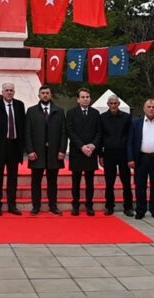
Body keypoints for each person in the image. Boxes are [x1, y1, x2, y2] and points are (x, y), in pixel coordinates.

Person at [24, 85, 67, 216]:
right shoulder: (31, 111)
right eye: (43, 93)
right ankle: (36, 206)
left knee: (52, 182)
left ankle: (53, 206)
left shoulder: (59, 111)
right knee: (36, 181)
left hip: (54, 152)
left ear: (51, 95)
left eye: (47, 93)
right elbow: (27, 132)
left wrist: (62, 150)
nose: (45, 95)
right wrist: (30, 150)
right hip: (37, 153)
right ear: (39, 95)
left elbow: (63, 132)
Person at [0, 82, 26, 216]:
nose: (9, 92)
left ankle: (12, 205)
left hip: (14, 146)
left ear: (14, 92)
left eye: (11, 90)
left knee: (12, 178)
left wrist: (23, 146)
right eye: (7, 90)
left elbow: (22, 125)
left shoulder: (19, 105)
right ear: (2, 92)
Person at [128, 99, 154, 220]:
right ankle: (140, 210)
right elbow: (130, 142)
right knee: (140, 186)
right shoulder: (136, 123)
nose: (151, 109)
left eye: (153, 107)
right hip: (141, 158)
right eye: (149, 107)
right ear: (144, 108)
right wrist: (130, 158)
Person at [66, 88, 102, 216]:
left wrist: (93, 145)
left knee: (89, 182)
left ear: (90, 99)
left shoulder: (95, 113)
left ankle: (89, 206)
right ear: (78, 99)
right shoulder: (71, 113)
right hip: (77, 152)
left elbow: (99, 132)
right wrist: (82, 146)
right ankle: (75, 205)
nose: (85, 99)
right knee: (75, 182)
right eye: (83, 97)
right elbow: (70, 131)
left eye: (87, 97)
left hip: (91, 153)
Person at [99, 95, 133, 216]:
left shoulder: (126, 117)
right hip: (109, 153)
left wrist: (130, 155)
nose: (113, 106)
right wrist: (101, 155)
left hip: (123, 153)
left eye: (115, 103)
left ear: (119, 104)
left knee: (126, 182)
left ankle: (128, 207)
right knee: (109, 182)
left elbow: (130, 137)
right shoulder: (102, 118)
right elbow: (100, 136)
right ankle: (109, 206)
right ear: (108, 104)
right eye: (111, 103)